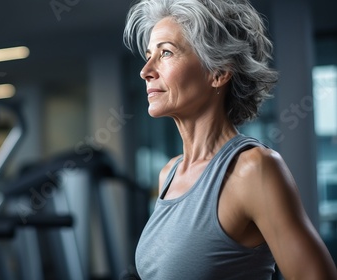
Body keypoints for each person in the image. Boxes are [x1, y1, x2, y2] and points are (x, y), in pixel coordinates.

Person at [123, 0, 337, 279]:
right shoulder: (170, 173)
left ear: (219, 72)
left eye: (165, 53)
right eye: (149, 54)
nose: (146, 70)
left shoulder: (254, 169)